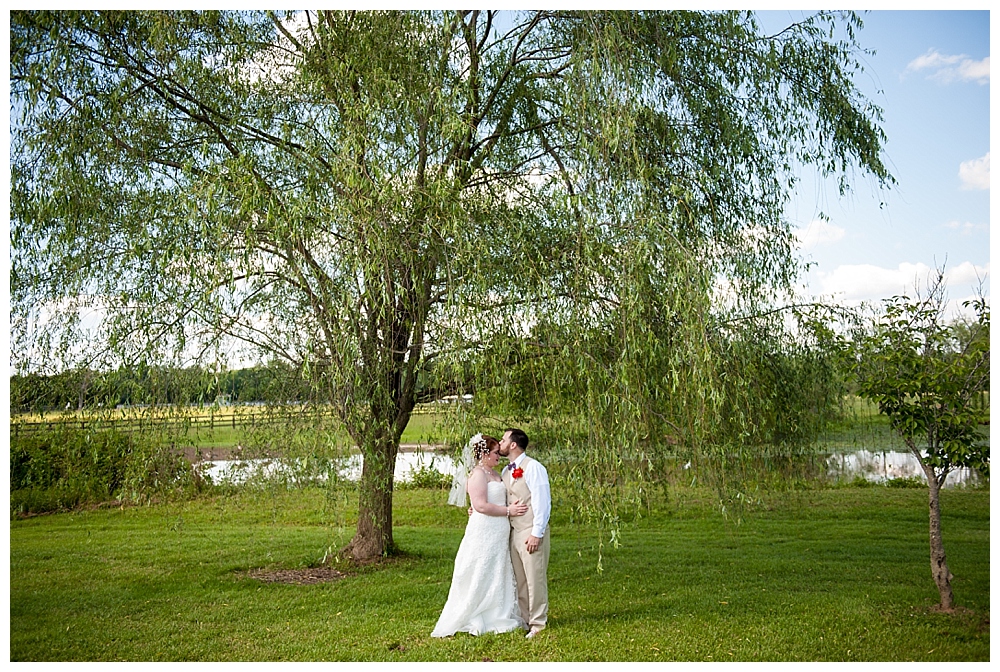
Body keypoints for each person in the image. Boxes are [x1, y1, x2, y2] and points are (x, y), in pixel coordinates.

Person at [431, 434, 529, 637]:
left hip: (498, 532)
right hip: (484, 530)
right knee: (481, 569)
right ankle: (477, 613)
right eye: (495, 453)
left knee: (498, 569)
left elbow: (487, 501)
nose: (498, 456)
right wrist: (509, 511)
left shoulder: (495, 473)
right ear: (484, 454)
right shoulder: (477, 474)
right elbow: (481, 505)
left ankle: (498, 610)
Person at [499, 427, 551, 639]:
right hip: (514, 532)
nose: (500, 443)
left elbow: (542, 502)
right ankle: (525, 618)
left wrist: (537, 533)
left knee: (534, 577)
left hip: (530, 530)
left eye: (503, 440)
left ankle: (538, 623)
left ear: (513, 444)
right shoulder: (505, 471)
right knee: (520, 578)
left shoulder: (534, 467)